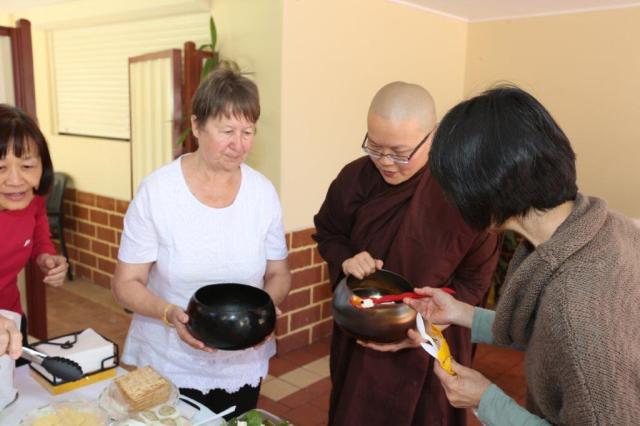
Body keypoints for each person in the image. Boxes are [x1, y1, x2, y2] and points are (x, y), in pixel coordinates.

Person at [405, 86, 640, 425]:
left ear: (482, 189)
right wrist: (463, 314)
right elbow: (550, 333)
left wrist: (485, 399)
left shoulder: (574, 304)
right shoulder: (608, 229)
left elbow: (571, 332)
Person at [313, 82, 501, 425]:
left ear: (433, 136)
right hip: (363, 337)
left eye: (399, 152)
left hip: (429, 345)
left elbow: (475, 279)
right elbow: (329, 231)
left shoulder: (466, 194)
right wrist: (346, 258)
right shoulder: (354, 178)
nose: (384, 161)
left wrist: (426, 325)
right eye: (374, 146)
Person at [111, 68, 291, 417]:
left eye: (247, 131)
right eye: (227, 132)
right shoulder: (159, 191)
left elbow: (279, 273)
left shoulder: (262, 193)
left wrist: (263, 312)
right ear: (196, 126)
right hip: (169, 361)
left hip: (242, 361)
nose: (239, 144)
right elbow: (125, 284)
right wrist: (169, 314)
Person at [0, 104, 69, 358]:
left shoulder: (32, 200)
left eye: (27, 166)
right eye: (0, 168)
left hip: (11, 316)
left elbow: (39, 235)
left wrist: (46, 257)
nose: (16, 180)